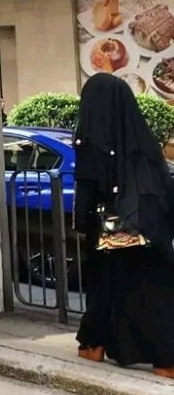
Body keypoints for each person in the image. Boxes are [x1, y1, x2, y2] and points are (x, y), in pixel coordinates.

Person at [73, 73, 174, 376]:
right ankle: (164, 360)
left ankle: (95, 344)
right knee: (151, 296)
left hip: (111, 235)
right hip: (150, 233)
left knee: (106, 288)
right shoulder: (142, 140)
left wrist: (80, 223)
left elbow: (88, 189)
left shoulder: (93, 142)